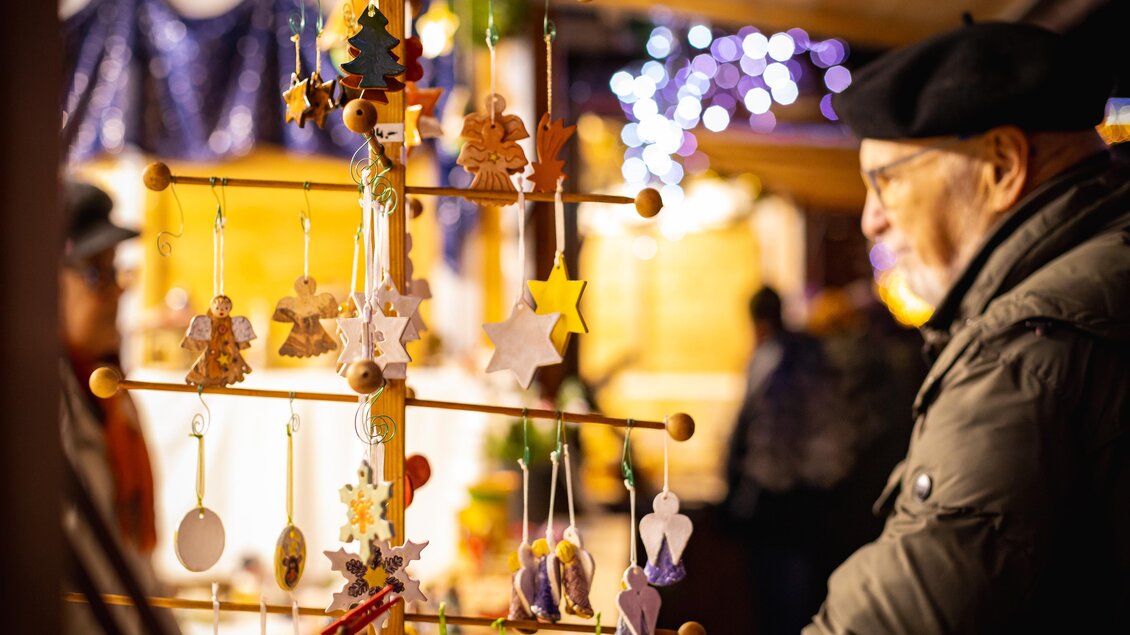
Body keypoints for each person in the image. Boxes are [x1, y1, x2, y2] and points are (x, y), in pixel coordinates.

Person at [805, 20, 1129, 633]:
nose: (871, 218)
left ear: (1003, 165)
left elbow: (903, 616)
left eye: (887, 180)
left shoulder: (1028, 350)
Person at [61, 179, 179, 633]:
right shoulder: (35, 409)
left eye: (117, 271)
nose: (116, 291)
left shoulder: (109, 393)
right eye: (95, 273)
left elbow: (135, 566)